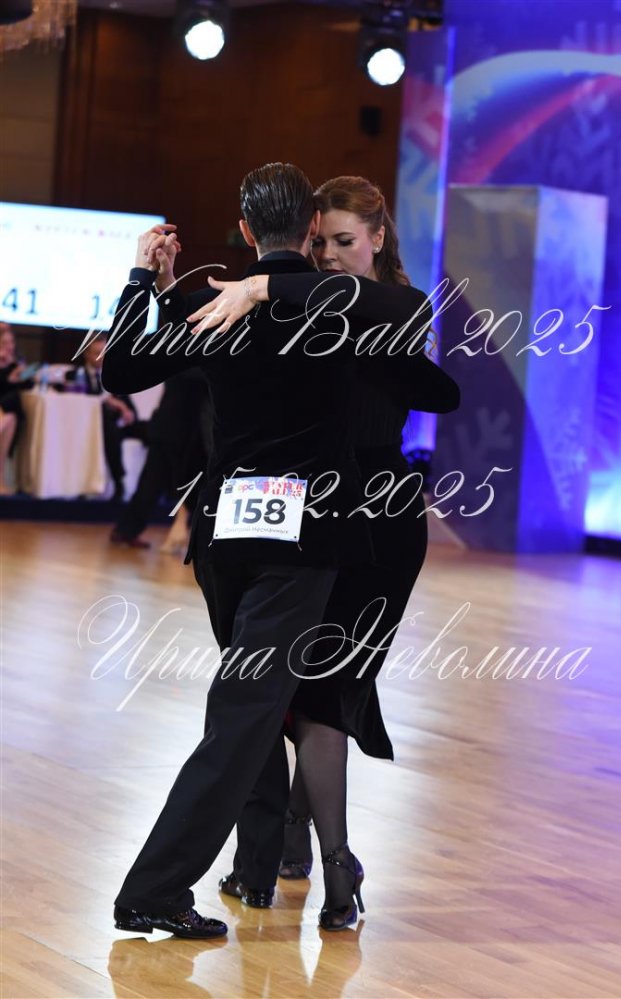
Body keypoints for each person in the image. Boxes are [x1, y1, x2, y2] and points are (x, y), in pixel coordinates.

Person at [102, 162, 452, 940]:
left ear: (246, 229)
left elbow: (120, 368)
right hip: (301, 543)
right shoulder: (334, 310)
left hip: (225, 539)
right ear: (311, 230)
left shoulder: (217, 306)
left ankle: (255, 865)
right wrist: (267, 287)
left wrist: (143, 280)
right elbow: (408, 310)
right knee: (246, 713)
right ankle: (155, 887)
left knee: (251, 708)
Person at [110, 367, 211, 549]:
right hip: (178, 433)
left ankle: (127, 530)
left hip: (173, 430)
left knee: (153, 483)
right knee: (159, 483)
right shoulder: (194, 367)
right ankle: (130, 530)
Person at [67, 335, 147, 502]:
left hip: (122, 424)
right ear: (86, 354)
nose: (101, 357)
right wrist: (106, 400)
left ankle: (162, 487)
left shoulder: (115, 375)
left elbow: (129, 406)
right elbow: (78, 400)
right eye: (97, 353)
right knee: (111, 431)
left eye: (104, 352)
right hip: (94, 427)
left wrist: (128, 412)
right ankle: (118, 481)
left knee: (157, 430)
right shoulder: (76, 375)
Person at [0, 322, 32, 494]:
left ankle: (1, 479)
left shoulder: (16, 363)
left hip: (8, 413)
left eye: (11, 342)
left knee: (11, 416)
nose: (9, 346)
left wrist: (20, 373)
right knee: (10, 416)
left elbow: (28, 384)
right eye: (5, 343)